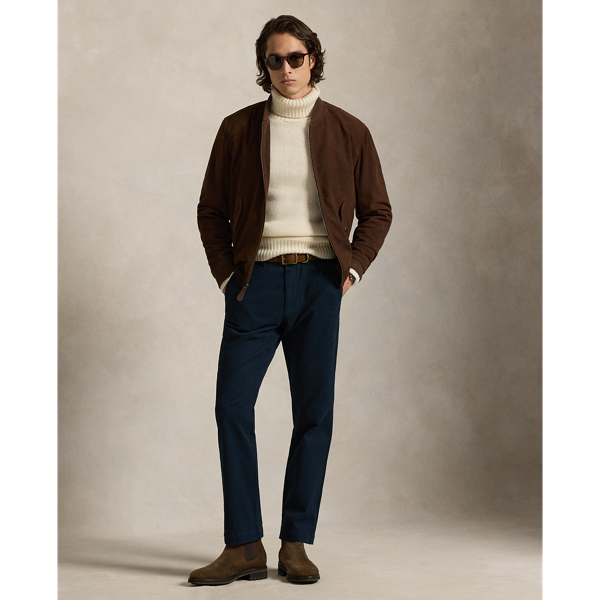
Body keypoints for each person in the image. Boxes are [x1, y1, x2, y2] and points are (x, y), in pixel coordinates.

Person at [188, 14, 392, 586]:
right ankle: (244, 546)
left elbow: (378, 211)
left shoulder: (349, 131)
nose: (286, 69)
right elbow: (210, 210)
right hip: (254, 284)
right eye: (274, 60)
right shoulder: (237, 129)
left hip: (320, 284)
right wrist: (227, 277)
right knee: (232, 407)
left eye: (295, 58)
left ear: (313, 59)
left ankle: (295, 542)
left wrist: (352, 268)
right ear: (264, 67)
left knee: (313, 414)